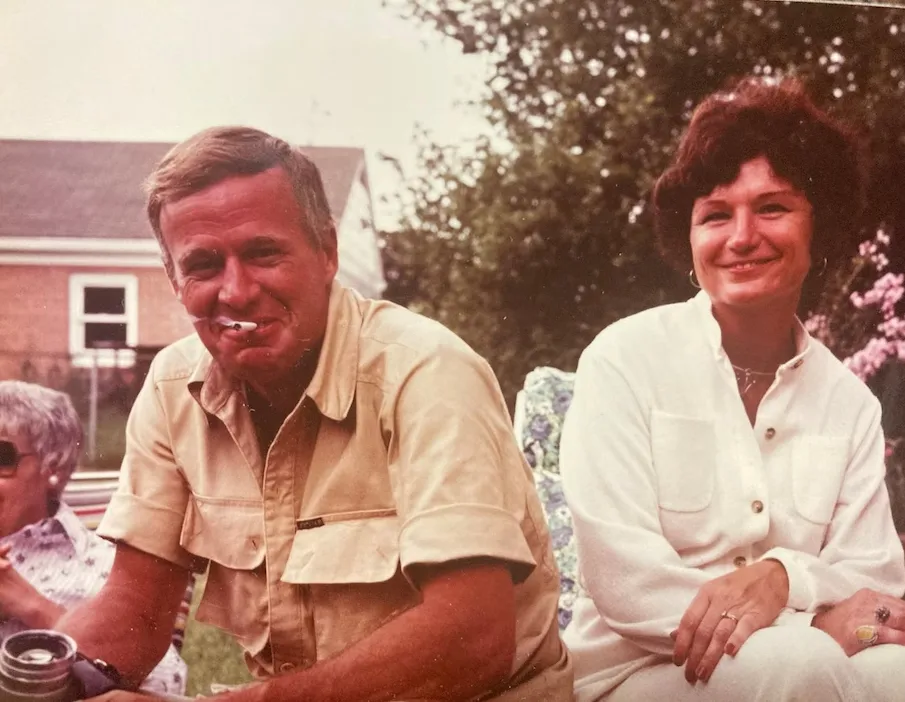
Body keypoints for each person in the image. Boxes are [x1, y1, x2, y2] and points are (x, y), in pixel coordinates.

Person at [55, 126, 571, 701]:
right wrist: (45, 672)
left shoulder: (425, 372)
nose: (236, 291)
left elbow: (474, 638)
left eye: (263, 253)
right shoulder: (174, 387)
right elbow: (136, 612)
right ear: (175, 280)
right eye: (203, 265)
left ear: (328, 252)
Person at [560, 76, 905, 701]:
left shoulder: (848, 402)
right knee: (797, 666)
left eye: (772, 208)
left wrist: (784, 577)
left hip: (803, 661)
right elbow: (627, 580)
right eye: (716, 215)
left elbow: (873, 575)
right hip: (636, 671)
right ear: (690, 239)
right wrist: (810, 622)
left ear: (819, 226)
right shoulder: (623, 361)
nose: (742, 237)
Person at [0, 380, 187, 697]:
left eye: (2, 456)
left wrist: (28, 604)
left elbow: (166, 682)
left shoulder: (108, 566)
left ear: (54, 466)